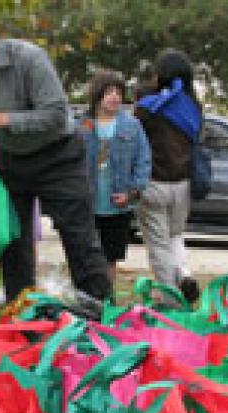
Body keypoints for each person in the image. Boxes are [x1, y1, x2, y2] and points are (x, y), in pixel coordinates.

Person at [0, 4, 111, 304]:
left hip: (59, 155)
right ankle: (21, 314)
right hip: (9, 159)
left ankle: (100, 315)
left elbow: (57, 114)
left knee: (79, 238)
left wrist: (0, 119)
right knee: (13, 243)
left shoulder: (30, 59)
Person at [135, 48, 202, 304]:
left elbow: (134, 137)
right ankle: (184, 274)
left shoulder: (150, 108)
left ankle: (170, 299)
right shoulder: (193, 106)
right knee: (175, 235)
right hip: (184, 184)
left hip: (153, 184)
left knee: (159, 245)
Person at [80, 70, 151, 286]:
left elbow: (143, 160)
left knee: (111, 256)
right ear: (98, 95)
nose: (115, 97)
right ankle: (88, 295)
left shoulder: (132, 125)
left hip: (117, 205)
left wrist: (131, 193)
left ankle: (107, 297)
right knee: (86, 255)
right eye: (110, 92)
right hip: (87, 204)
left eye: (119, 93)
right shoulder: (82, 125)